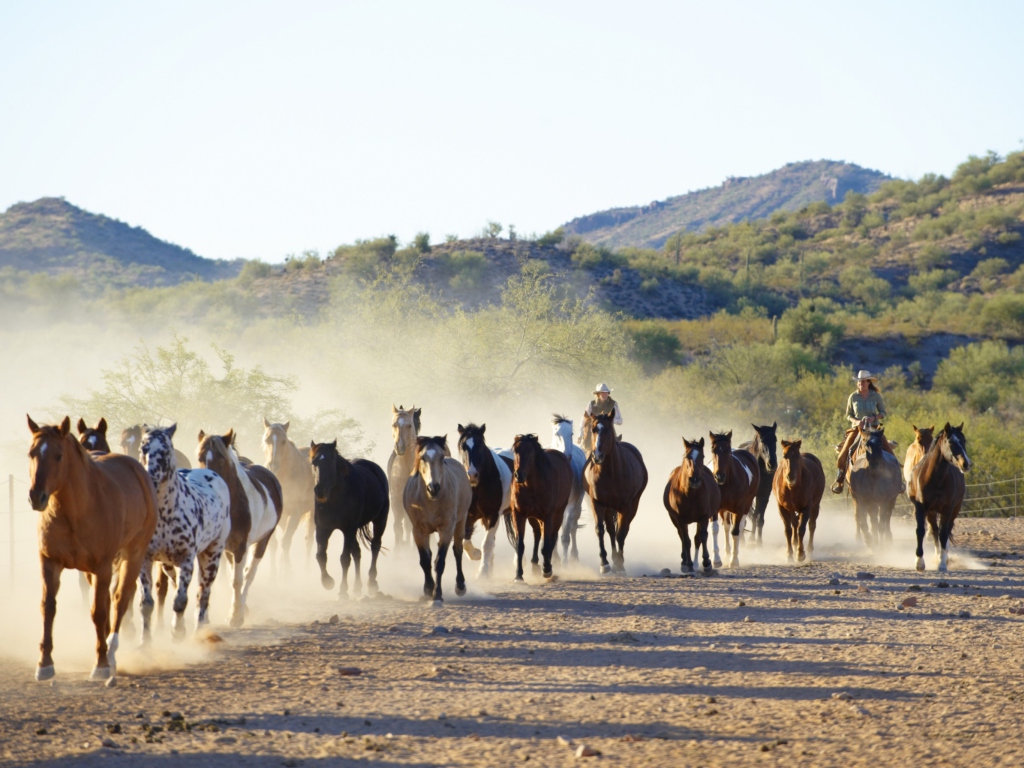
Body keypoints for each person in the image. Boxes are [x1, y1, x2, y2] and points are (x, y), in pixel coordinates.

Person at [831, 369, 893, 493]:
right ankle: (840, 479)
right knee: (844, 453)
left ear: (869, 382)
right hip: (857, 429)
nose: (861, 384)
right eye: (859, 382)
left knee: (889, 452)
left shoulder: (876, 396)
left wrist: (874, 417)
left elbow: (883, 413)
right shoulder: (853, 396)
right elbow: (848, 415)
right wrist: (856, 421)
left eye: (864, 382)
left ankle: (896, 480)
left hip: (874, 429)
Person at [578, 383, 623, 453]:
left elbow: (620, 421)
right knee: (581, 452)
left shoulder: (613, 404)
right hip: (593, 433)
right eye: (603, 393)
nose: (605, 394)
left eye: (606, 393)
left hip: (609, 433)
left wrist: (608, 420)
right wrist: (580, 434)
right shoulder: (591, 404)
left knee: (619, 453)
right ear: (598, 394)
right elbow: (583, 420)